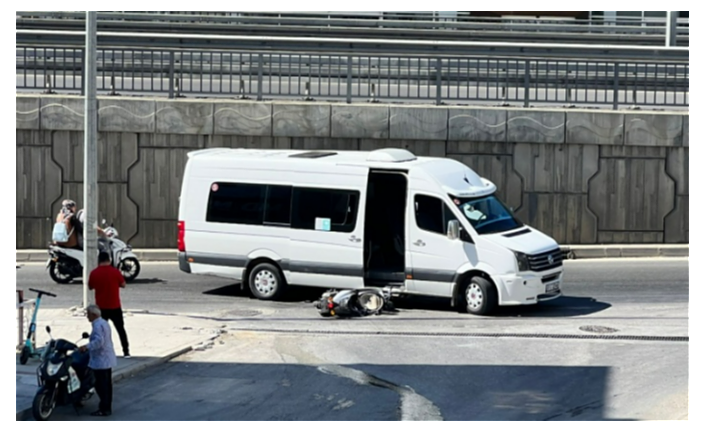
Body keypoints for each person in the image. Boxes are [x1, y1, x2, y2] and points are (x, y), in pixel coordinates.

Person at [89, 251, 131, 358]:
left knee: (100, 331)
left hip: (101, 308)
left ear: (99, 261)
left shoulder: (94, 273)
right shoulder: (115, 272)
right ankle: (126, 351)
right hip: (115, 306)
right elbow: (123, 284)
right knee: (120, 329)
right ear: (109, 260)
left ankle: (99, 351)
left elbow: (90, 286)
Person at [79, 305, 116, 417]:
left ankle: (104, 409)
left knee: (101, 386)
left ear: (94, 315)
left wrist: (86, 347)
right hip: (106, 358)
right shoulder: (103, 323)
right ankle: (106, 407)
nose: (87, 317)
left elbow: (99, 341)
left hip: (101, 359)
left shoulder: (97, 326)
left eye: (88, 314)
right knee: (107, 386)